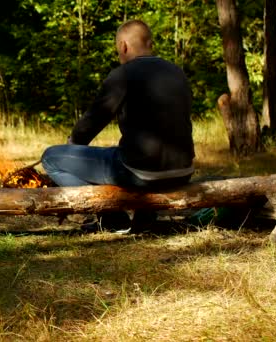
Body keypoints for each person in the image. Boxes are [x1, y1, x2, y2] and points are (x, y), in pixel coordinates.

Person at [41, 20, 195, 231]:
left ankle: (112, 219)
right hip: (183, 170)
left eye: (118, 50)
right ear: (150, 44)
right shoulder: (177, 72)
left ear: (123, 46)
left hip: (140, 173)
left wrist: (74, 143)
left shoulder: (123, 74)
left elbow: (95, 119)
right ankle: (145, 217)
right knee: (134, 152)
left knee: (51, 158)